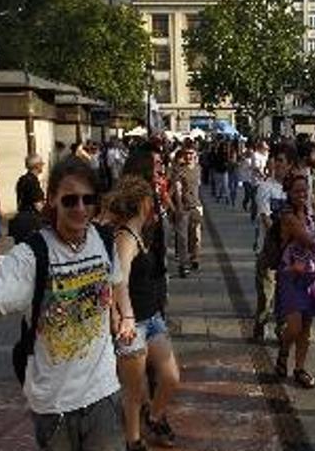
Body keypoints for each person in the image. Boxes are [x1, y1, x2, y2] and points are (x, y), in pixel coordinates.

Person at [0, 156, 132, 451]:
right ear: (52, 199)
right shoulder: (30, 256)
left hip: (104, 393)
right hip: (55, 405)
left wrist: (123, 313)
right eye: (70, 200)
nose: (80, 208)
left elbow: (117, 280)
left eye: (88, 199)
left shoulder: (103, 240)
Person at [107, 176, 180, 451]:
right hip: (134, 323)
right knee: (134, 391)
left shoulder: (140, 232)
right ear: (143, 203)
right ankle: (133, 441)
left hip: (151, 318)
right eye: (152, 199)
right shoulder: (126, 236)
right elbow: (119, 280)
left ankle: (154, 417)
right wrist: (122, 317)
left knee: (170, 376)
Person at [274, 174, 315, 389]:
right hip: (290, 276)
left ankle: (299, 368)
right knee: (295, 326)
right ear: (288, 193)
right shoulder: (288, 217)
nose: (302, 195)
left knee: (306, 327)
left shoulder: (309, 214)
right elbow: (308, 242)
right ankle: (283, 350)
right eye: (297, 191)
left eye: (305, 191)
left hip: (311, 275)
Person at [252, 143, 294, 343]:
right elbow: (266, 219)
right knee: (266, 293)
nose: (276, 164)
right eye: (275, 160)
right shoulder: (265, 187)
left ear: (290, 165)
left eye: (281, 161)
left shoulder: (295, 189)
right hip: (269, 249)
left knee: (285, 294)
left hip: (290, 251)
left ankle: (281, 330)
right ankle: (260, 327)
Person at [170, 145, 202, 277]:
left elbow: (198, 186)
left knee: (196, 236)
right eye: (187, 153)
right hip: (184, 207)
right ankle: (183, 264)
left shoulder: (199, 168)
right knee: (183, 238)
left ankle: (194, 258)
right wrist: (178, 206)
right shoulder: (180, 170)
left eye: (191, 153)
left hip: (196, 206)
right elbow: (176, 189)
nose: (189, 156)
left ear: (195, 155)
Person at [11, 153, 46, 245]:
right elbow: (38, 205)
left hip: (21, 218)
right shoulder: (33, 181)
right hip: (31, 221)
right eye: (41, 164)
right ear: (37, 166)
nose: (42, 166)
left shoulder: (22, 179)